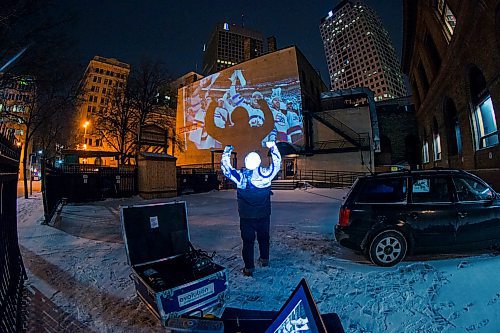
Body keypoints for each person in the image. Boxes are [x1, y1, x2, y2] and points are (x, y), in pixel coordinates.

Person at [221, 141, 282, 277]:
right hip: (264, 215)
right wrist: (273, 147)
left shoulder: (241, 177)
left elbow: (226, 169)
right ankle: (264, 260)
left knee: (248, 242)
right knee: (264, 238)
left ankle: (249, 268)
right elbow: (277, 164)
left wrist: (227, 152)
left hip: (247, 217)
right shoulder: (266, 175)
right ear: (259, 162)